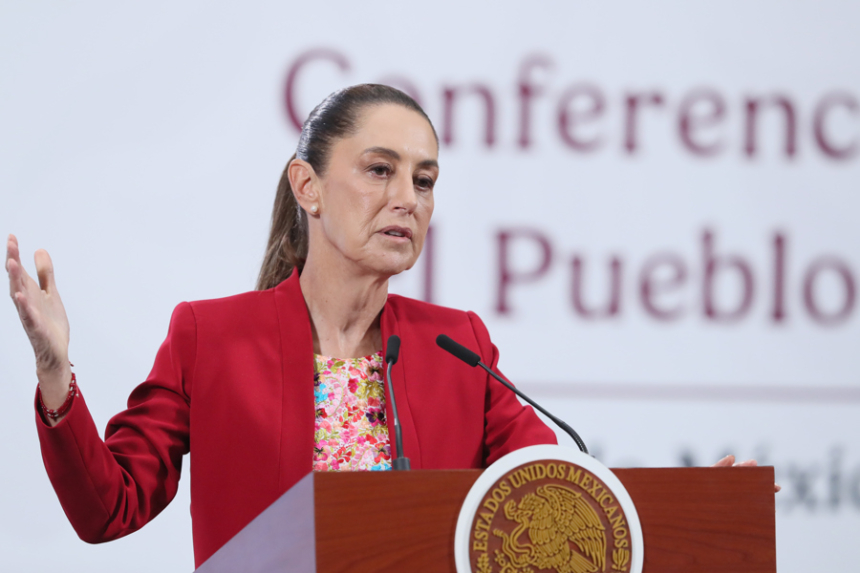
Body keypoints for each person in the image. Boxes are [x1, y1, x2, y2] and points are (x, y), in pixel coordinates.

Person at [6, 84, 559, 568]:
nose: (406, 199)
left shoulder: (459, 346)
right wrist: (55, 373)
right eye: (379, 170)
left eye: (424, 180)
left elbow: (550, 494)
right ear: (307, 186)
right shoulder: (211, 336)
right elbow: (109, 508)